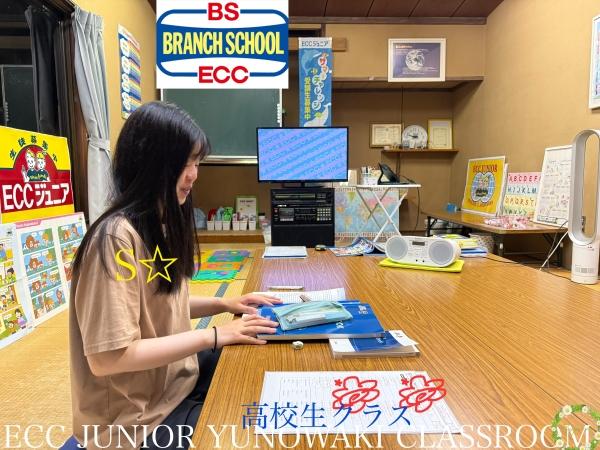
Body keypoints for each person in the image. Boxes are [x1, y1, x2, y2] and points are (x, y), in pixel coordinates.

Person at [69, 102, 280, 450]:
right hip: (134, 424)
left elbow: (161, 303)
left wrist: (225, 303)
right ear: (151, 162)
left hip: (174, 384)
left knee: (256, 359)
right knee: (249, 429)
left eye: (197, 162)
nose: (194, 175)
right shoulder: (114, 239)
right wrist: (213, 335)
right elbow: (109, 358)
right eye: (185, 163)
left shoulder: (157, 224)